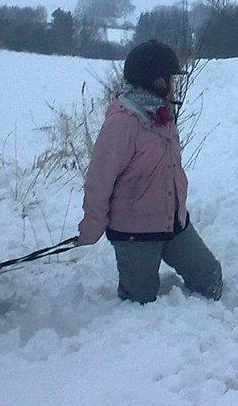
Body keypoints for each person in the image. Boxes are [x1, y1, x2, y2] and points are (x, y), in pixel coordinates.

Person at [75, 40, 223, 304]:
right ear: (158, 82)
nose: (174, 84)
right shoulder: (122, 122)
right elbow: (99, 181)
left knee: (211, 280)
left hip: (173, 224)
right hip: (135, 233)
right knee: (140, 303)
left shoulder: (163, 115)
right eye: (171, 78)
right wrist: (91, 227)